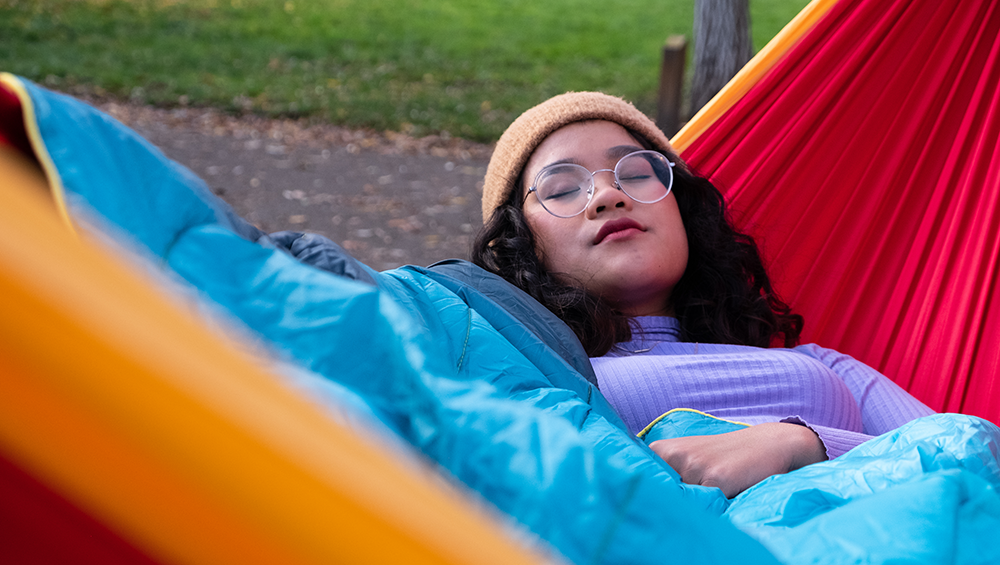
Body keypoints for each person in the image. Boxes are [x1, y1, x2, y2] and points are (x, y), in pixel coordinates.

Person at [471, 91, 935, 498]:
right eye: (564, 188)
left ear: (684, 209)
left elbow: (976, 452)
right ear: (519, 243)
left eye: (635, 174)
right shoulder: (516, 374)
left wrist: (807, 446)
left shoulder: (825, 365)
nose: (608, 195)